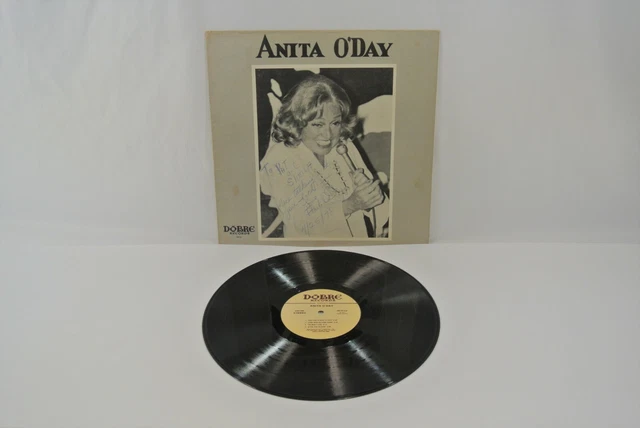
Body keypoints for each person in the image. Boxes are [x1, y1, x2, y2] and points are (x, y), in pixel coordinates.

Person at [259, 74, 390, 239]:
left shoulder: (343, 145)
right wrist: (351, 205)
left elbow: (375, 211)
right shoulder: (278, 159)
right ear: (297, 122)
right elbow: (302, 222)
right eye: (318, 124)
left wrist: (371, 198)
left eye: (335, 123)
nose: (328, 134)